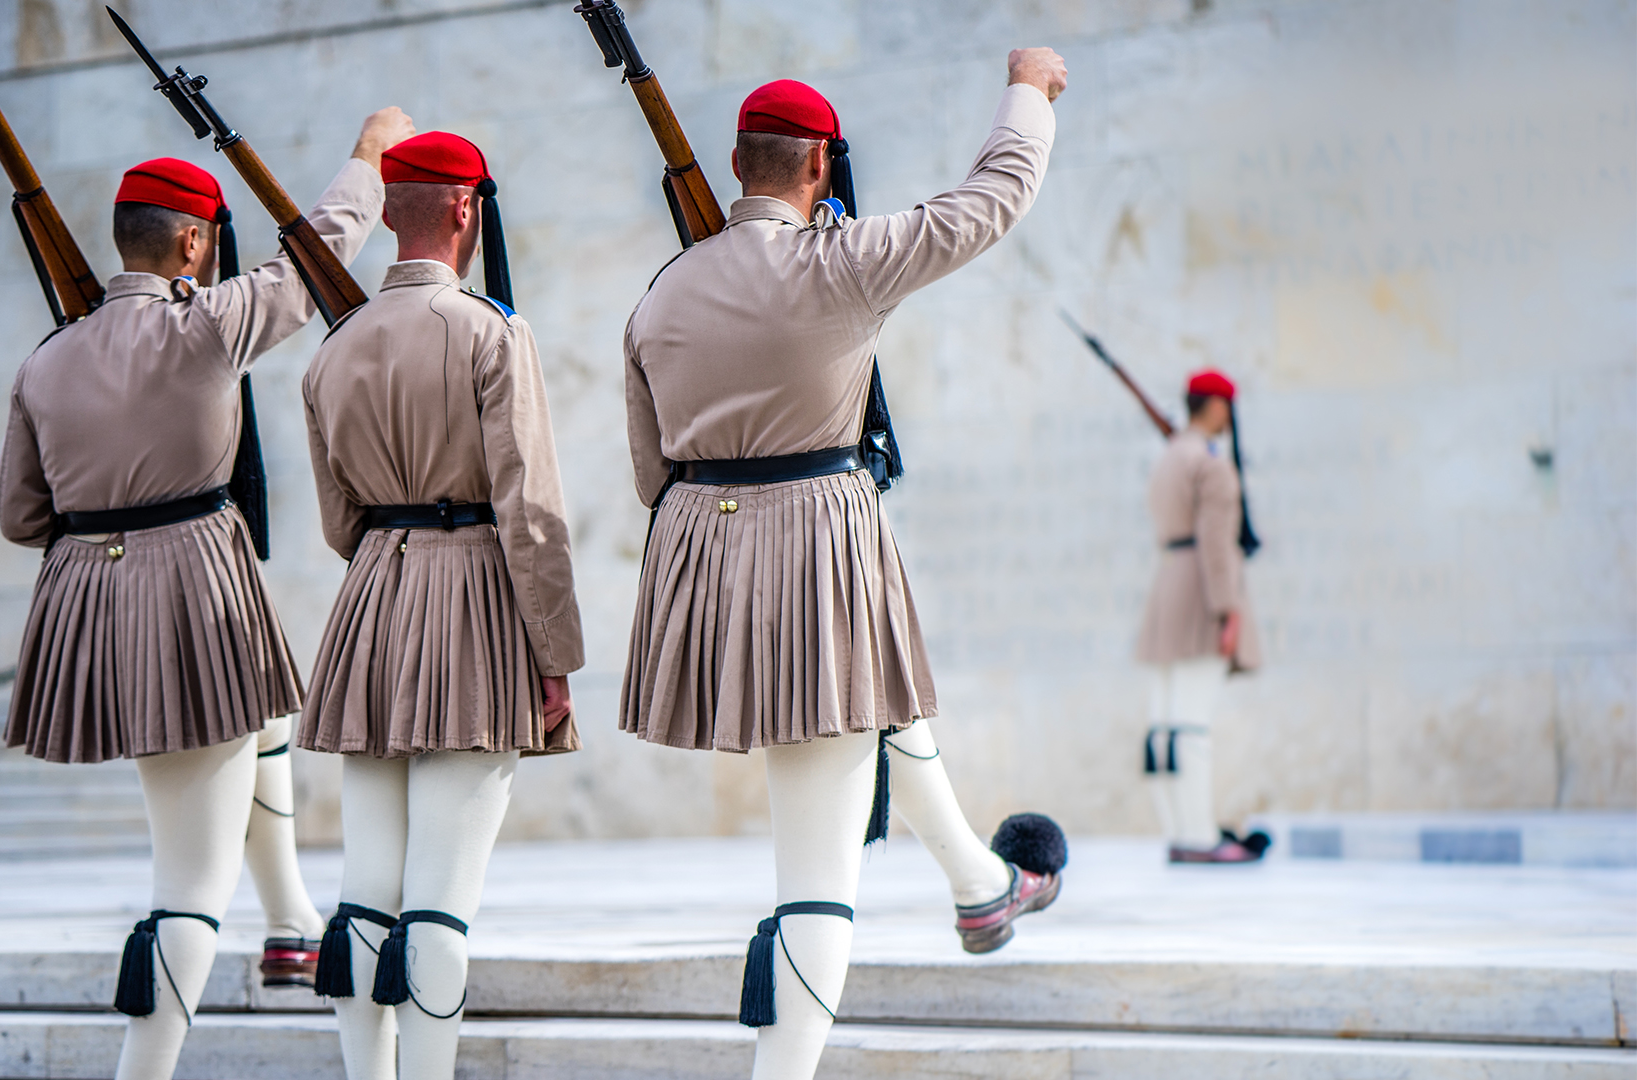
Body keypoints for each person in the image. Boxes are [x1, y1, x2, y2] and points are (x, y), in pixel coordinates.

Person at [618, 53, 1070, 1079]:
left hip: (701, 558)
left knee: (878, 701)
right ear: (821, 165)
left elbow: (651, 470)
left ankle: (981, 886)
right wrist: (1028, 93)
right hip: (818, 545)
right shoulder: (844, 262)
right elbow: (995, 196)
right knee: (817, 879)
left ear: (737, 162)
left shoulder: (659, 295)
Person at [0, 107, 416, 1080]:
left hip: (89, 606)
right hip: (190, 591)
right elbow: (318, 254)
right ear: (193, 244)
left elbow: (23, 515)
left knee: (260, 719)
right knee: (189, 882)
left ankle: (289, 921)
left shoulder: (45, 362)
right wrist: (367, 157)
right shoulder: (208, 327)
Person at [294, 130, 582, 1080]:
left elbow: (339, 522)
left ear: (386, 214)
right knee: (439, 906)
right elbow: (529, 510)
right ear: (467, 209)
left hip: (373, 602)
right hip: (471, 597)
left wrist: (396, 555)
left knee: (365, 896)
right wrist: (553, 656)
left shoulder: (333, 349)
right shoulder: (491, 331)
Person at [1136, 368, 1268, 864]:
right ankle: (1199, 837)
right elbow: (1216, 544)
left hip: (1169, 586)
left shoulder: (1170, 457)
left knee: (1165, 725)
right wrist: (1227, 609)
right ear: (1215, 406)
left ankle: (1180, 831)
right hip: (1200, 594)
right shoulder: (1209, 463)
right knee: (1191, 725)